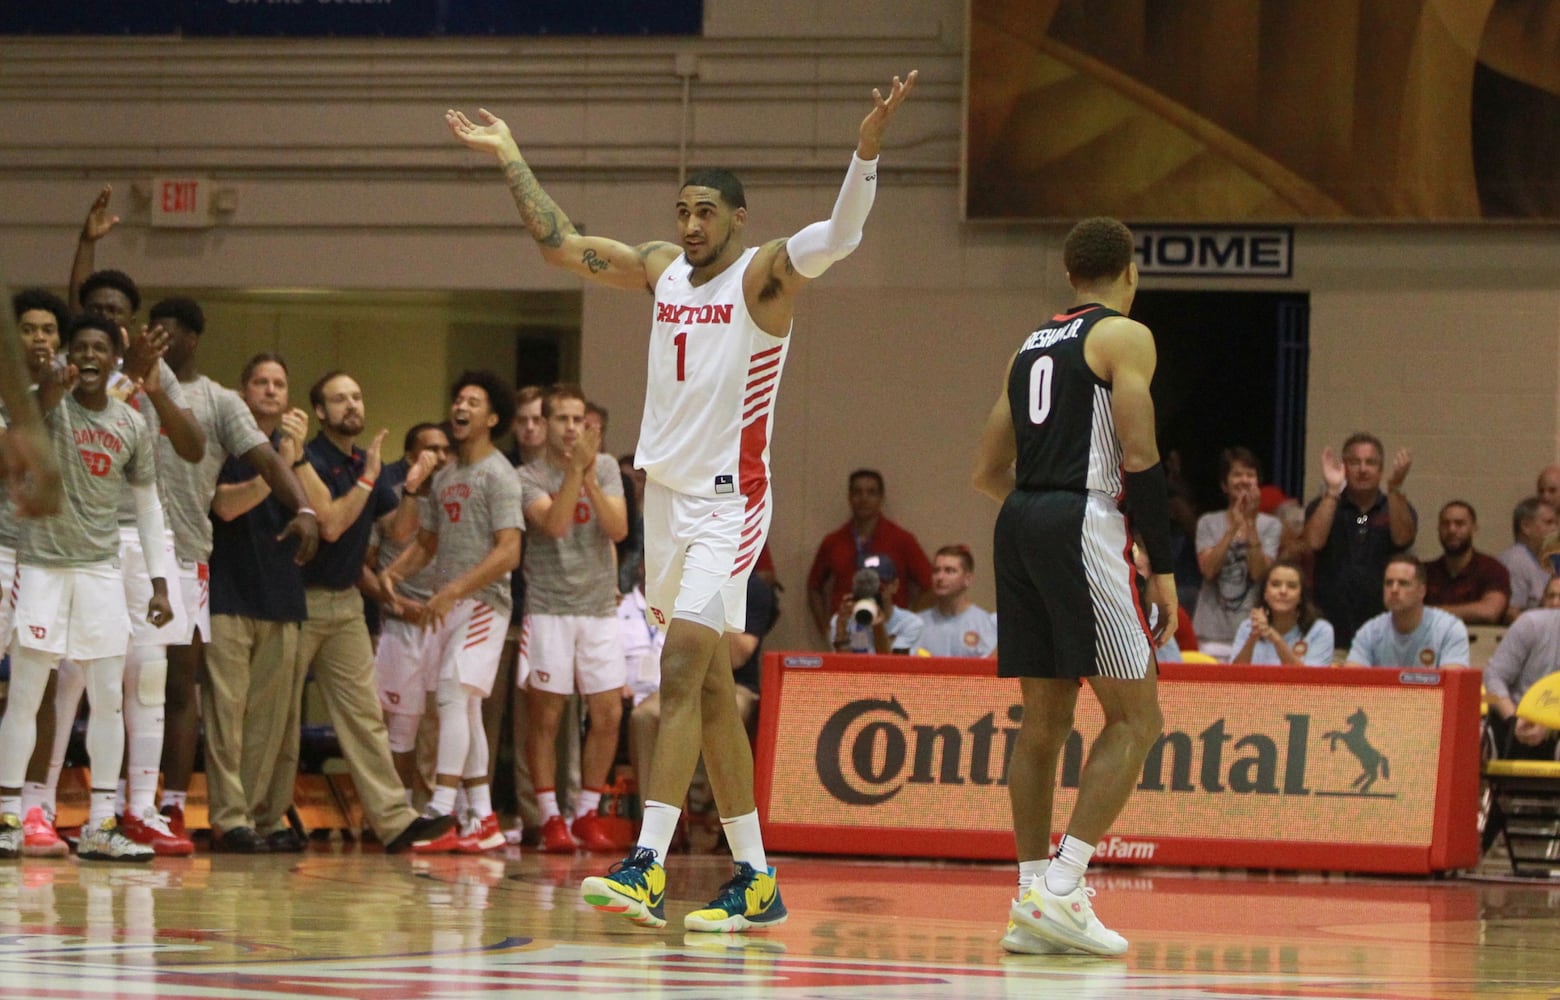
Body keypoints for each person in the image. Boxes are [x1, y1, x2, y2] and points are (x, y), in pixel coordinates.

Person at [446, 66, 915, 932]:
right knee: (701, 696)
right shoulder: (663, 272)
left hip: (729, 506)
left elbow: (840, 236)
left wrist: (866, 153)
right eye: (683, 211)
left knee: (680, 671)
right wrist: (511, 153)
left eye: (707, 211)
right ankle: (757, 879)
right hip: (663, 504)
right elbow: (561, 244)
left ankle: (648, 865)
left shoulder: (767, 278)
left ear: (739, 218)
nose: (691, 225)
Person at [972, 216, 1173, 957]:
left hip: (1018, 518)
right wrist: (1166, 565)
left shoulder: (1028, 346)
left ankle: (1030, 896)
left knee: (1045, 721)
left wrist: (1037, 522)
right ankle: (1062, 886)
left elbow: (985, 472)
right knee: (1137, 716)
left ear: (1066, 273)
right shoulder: (1126, 335)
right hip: (1081, 516)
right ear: (1131, 270)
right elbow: (1142, 452)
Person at [142, 297, 319, 852]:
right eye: (260, 381)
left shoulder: (240, 422)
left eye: (278, 383)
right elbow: (226, 505)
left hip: (250, 584)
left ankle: (244, 816)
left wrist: (305, 504)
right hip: (209, 583)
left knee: (252, 716)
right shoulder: (142, 392)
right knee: (146, 691)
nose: (270, 390)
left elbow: (321, 512)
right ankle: (190, 811)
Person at [0, 314, 172, 862]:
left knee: (109, 701)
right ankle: (7, 818)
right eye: (81, 347)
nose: (90, 355)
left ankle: (100, 824)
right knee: (27, 695)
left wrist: (161, 582)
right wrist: (53, 385)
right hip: (43, 566)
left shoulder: (130, 423)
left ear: (114, 358)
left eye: (101, 347)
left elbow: (146, 506)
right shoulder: (44, 404)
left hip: (100, 570)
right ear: (67, 356)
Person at [280, 370, 454, 852]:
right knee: (279, 717)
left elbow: (398, 532)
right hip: (296, 600)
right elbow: (332, 526)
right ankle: (266, 816)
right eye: (339, 399)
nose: (351, 406)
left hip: (347, 604)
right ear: (320, 412)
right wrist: (373, 475)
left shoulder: (362, 461)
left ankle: (394, 821)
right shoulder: (304, 455)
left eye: (356, 396)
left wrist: (414, 490)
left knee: (364, 716)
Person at [381, 372, 523, 855]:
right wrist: (394, 575)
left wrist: (456, 589)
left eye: (473, 401)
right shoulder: (445, 477)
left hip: (484, 603)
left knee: (451, 694)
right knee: (464, 707)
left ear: (492, 418)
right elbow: (428, 543)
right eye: (458, 398)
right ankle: (481, 816)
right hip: (450, 601)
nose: (461, 406)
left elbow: (509, 552)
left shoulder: (500, 475)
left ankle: (441, 810)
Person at [515, 384, 628, 854]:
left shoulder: (604, 468)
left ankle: (585, 812)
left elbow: (618, 528)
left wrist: (590, 477)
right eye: (561, 419)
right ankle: (550, 817)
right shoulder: (527, 476)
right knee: (548, 715)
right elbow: (556, 524)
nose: (570, 428)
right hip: (549, 608)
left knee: (608, 713)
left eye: (578, 419)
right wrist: (575, 473)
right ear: (543, 425)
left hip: (600, 607)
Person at [365, 423, 451, 796]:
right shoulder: (390, 495)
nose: (441, 457)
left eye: (446, 449)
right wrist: (395, 603)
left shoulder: (457, 500)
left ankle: (429, 808)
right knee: (395, 724)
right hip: (397, 626)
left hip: (444, 625)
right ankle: (391, 808)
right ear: (412, 456)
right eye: (431, 449)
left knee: (437, 727)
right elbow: (370, 559)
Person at [1302, 434, 1417, 647]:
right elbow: (1313, 543)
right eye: (1355, 462)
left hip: (1384, 634)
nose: (1363, 469)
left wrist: (1394, 489)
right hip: (1332, 633)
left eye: (1370, 463)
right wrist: (1333, 491)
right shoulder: (1324, 504)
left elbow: (1403, 539)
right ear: (1344, 467)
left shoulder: (1395, 505)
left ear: (1380, 470)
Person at [807, 469, 934, 641]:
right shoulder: (833, 541)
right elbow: (814, 587)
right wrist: (826, 629)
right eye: (857, 492)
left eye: (871, 492)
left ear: (881, 499)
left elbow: (929, 586)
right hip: (846, 634)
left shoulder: (902, 540)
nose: (864, 498)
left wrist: (907, 621)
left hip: (889, 634)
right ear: (849, 497)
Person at [1191, 447, 1280, 660]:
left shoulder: (1271, 525)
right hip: (1210, 633)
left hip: (1252, 632)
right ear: (1224, 484)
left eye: (1250, 475)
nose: (1244, 480)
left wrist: (1249, 523)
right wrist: (1233, 527)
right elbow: (1209, 570)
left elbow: (1259, 573)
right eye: (1237, 474)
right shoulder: (1208, 523)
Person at [1345, 555, 1469, 668]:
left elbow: (1452, 686)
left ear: (1422, 591)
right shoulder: (1369, 633)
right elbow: (1351, 683)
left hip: (1430, 694)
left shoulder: (1449, 630)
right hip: (1383, 693)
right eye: (1389, 583)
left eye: (1403, 583)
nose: (1394, 589)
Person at [1484, 600, 1560, 761]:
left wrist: (1549, 724)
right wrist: (1514, 719)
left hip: (1556, 730)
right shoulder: (1531, 624)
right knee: (1472, 737)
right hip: (1511, 720)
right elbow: (1494, 676)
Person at [1228, 561, 1335, 666]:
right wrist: (1252, 639)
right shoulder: (1247, 627)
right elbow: (1233, 678)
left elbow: (1309, 681)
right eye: (1275, 585)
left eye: (1292, 586)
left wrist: (1275, 638)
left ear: (1301, 597)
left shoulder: (1319, 630)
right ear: (1265, 593)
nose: (1283, 591)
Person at [1423, 500, 1510, 625]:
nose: (1452, 530)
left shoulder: (1493, 569)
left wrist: (1429, 613)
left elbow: (1489, 612)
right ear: (1438, 528)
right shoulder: (1425, 572)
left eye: (1459, 524)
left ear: (1474, 528)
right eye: (1445, 524)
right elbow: (1406, 613)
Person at [828, 555, 924, 654]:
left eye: (879, 586)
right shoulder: (845, 620)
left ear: (895, 585)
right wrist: (842, 631)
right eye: (864, 585)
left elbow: (892, 666)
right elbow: (843, 666)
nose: (871, 591)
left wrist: (878, 626)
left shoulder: (910, 624)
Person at [915, 544, 997, 657]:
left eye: (949, 571)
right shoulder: (916, 624)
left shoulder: (985, 625)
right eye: (936, 571)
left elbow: (990, 672)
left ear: (967, 579)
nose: (940, 577)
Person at [1498, 497, 1556, 621]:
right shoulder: (1515, 560)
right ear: (1526, 527)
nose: (1556, 529)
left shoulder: (1544, 560)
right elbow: (1511, 613)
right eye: (1549, 522)